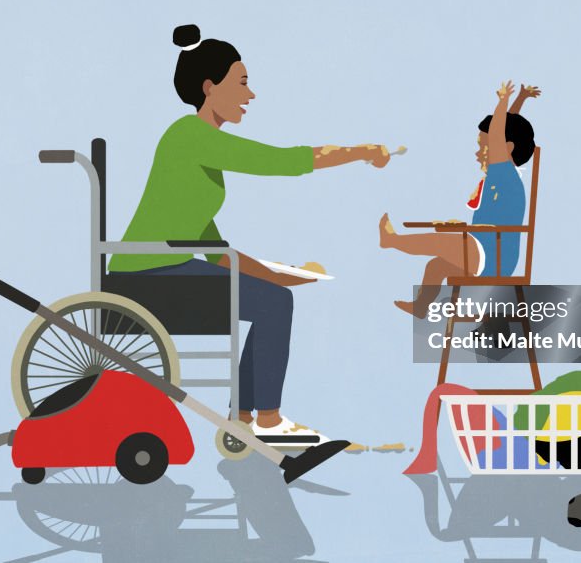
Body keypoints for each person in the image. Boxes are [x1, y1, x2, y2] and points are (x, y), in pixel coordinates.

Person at [107, 24, 391, 446]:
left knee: (274, 296)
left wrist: (279, 275)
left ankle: (242, 418)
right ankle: (267, 419)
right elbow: (278, 161)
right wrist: (358, 153)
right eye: (241, 82)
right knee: (274, 303)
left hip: (163, 269)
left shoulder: (195, 152)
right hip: (147, 280)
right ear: (209, 87)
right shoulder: (190, 136)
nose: (250, 94)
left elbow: (216, 252)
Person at [379, 81, 538, 317]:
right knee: (437, 265)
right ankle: (421, 307)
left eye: (483, 146)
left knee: (440, 243)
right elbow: (506, 129)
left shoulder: (504, 173)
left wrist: (503, 99)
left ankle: (392, 240)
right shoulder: (502, 174)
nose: (479, 152)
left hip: (493, 254)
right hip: (485, 245)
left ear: (506, 149)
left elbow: (498, 134)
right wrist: (520, 99)